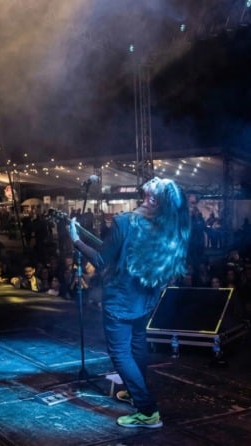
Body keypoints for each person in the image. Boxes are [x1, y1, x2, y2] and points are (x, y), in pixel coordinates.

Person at [69, 177, 190, 429]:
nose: (155, 177)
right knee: (137, 345)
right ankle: (136, 393)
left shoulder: (125, 222)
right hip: (144, 299)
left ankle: (147, 411)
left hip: (121, 300)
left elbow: (101, 261)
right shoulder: (163, 227)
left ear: (153, 199)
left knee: (120, 353)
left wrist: (76, 241)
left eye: (159, 182)